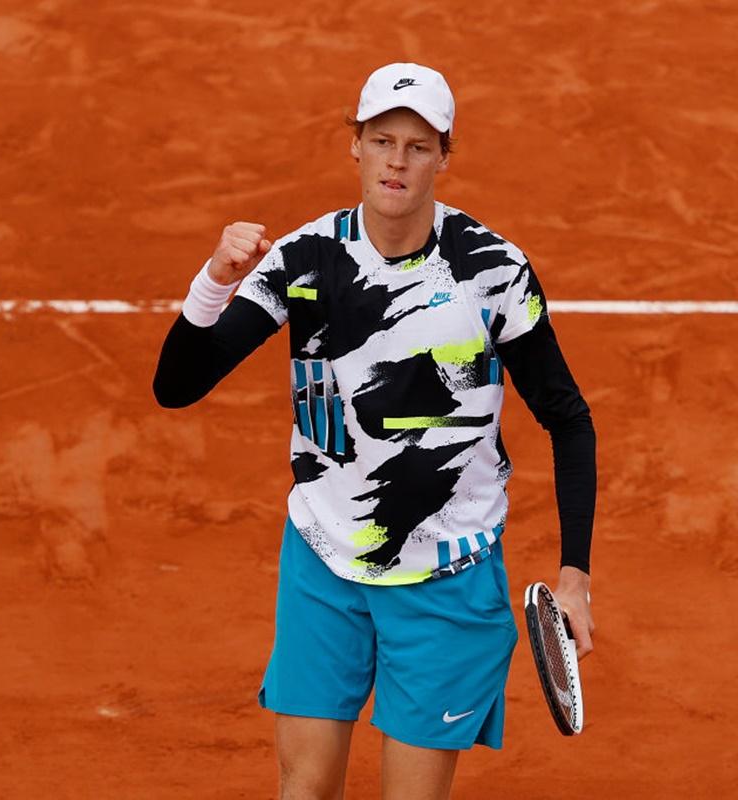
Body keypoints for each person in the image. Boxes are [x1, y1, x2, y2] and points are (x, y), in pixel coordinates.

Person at [153, 62, 596, 800]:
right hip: (324, 560)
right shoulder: (304, 260)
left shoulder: (492, 272)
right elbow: (177, 387)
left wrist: (576, 573)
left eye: (418, 147)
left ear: (444, 157)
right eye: (382, 140)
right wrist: (214, 280)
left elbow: (568, 419)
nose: (397, 160)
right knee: (306, 789)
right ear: (353, 146)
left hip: (446, 580)